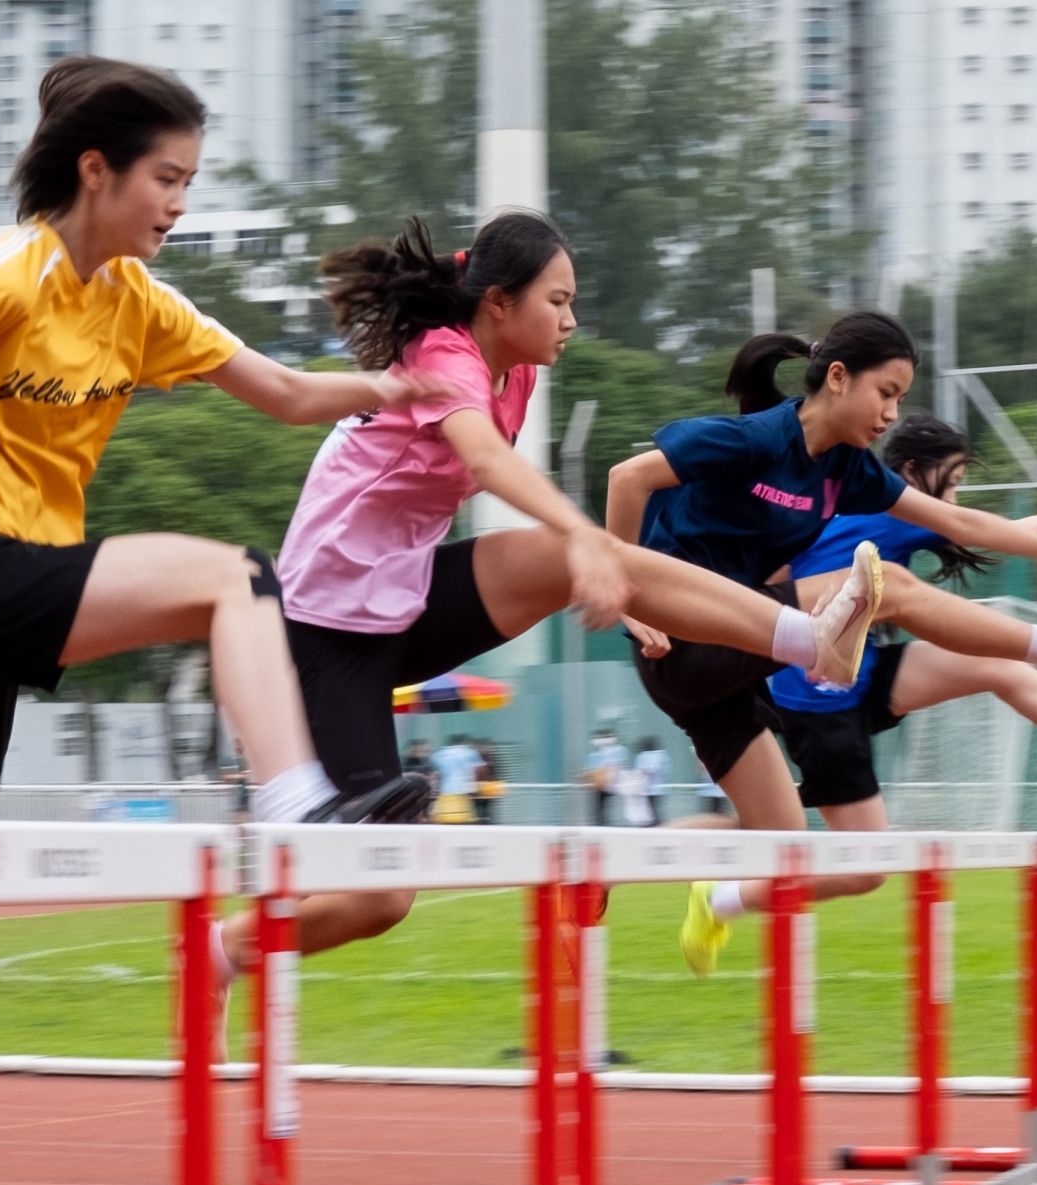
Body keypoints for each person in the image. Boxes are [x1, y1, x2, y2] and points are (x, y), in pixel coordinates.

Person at [0, 58, 450, 1179]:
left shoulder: (138, 303)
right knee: (233, 579)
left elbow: (288, 394)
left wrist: (390, 391)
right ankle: (297, 805)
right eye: (167, 179)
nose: (179, 203)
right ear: (96, 171)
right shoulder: (5, 279)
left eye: (190, 182)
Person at [211, 211, 877, 977]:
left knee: (579, 550)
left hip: (405, 597)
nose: (571, 320)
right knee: (380, 899)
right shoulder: (444, 354)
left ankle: (811, 641)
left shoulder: (517, 374)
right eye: (557, 302)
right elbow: (487, 463)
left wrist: (617, 581)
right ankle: (222, 950)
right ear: (500, 302)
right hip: (321, 632)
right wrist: (584, 538)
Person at [601, 313, 1037, 973]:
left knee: (785, 846)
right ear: (838, 377)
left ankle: (609, 863)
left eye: (900, 398)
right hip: (682, 638)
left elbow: (959, 522)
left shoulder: (845, 472)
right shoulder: (753, 440)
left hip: (729, 666)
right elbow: (627, 478)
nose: (892, 414)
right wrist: (626, 596)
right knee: (890, 585)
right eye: (885, 393)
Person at [679, 414, 1037, 953]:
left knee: (997, 665)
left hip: (861, 671)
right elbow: (992, 531)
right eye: (951, 483)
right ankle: (720, 900)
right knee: (863, 869)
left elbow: (988, 531)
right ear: (911, 471)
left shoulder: (870, 505)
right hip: (819, 704)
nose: (952, 498)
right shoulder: (887, 507)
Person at [429, 734, 486, 823]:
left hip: (444, 795)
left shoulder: (437, 755)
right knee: (463, 822)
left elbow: (437, 775)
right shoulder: (469, 752)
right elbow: (481, 770)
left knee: (442, 821)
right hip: (461, 795)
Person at [585, 727, 627, 826]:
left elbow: (619, 766)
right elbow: (590, 770)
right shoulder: (594, 755)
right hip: (600, 785)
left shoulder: (619, 750)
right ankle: (600, 825)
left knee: (618, 808)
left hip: (616, 784)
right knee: (598, 808)